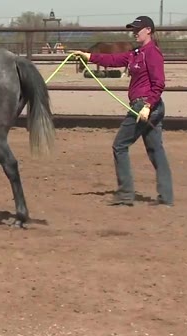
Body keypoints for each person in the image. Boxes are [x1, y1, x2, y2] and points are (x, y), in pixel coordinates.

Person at [71, 16, 173, 207]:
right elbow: (114, 59)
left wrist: (147, 106)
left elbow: (159, 83)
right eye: (133, 30)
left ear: (148, 30)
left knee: (120, 145)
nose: (134, 33)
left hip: (144, 106)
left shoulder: (152, 53)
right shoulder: (136, 53)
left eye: (138, 29)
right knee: (155, 149)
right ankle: (166, 197)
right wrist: (89, 56)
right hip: (147, 106)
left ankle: (126, 193)